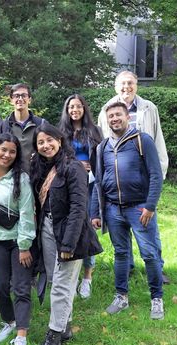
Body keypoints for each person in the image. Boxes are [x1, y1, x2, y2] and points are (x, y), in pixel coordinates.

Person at [31, 124, 102, 345]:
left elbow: (79, 209)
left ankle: (53, 339)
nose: (46, 145)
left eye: (50, 140)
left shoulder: (74, 168)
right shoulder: (41, 167)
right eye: (41, 142)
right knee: (56, 281)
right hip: (47, 229)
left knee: (61, 285)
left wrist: (68, 245)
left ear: (60, 140)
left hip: (71, 233)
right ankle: (66, 326)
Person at [91, 102, 164, 320]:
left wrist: (150, 206)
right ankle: (121, 296)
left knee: (149, 254)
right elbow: (98, 182)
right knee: (121, 254)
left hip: (139, 208)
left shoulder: (142, 141)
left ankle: (156, 299)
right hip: (114, 210)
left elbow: (155, 175)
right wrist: (95, 212)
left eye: (118, 115)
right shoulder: (102, 147)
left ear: (127, 117)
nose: (114, 119)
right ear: (107, 120)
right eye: (111, 116)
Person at [97, 70, 169, 284]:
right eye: (122, 84)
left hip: (144, 177)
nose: (126, 87)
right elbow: (103, 139)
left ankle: (157, 266)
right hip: (118, 177)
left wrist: (159, 172)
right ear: (115, 86)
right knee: (120, 224)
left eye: (130, 83)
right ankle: (126, 266)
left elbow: (157, 140)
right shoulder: (106, 109)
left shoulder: (148, 107)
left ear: (136, 85)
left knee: (148, 224)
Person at [0, 134, 36, 345]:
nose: (7, 155)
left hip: (17, 242)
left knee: (22, 288)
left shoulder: (21, 179)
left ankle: (21, 334)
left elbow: (26, 212)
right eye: (3, 150)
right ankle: (10, 320)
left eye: (12, 151)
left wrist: (24, 246)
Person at [58, 94, 103, 299]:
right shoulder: (61, 132)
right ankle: (71, 276)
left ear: (84, 109)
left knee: (87, 229)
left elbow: (101, 158)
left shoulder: (94, 131)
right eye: (71, 107)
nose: (74, 110)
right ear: (67, 110)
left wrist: (89, 167)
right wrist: (75, 164)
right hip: (70, 183)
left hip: (90, 184)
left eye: (78, 106)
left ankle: (87, 277)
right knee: (71, 226)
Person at [0, 83, 48, 172]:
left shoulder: (41, 124)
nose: (20, 99)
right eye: (16, 96)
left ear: (29, 99)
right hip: (11, 177)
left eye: (24, 95)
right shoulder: (4, 126)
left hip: (37, 176)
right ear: (11, 100)